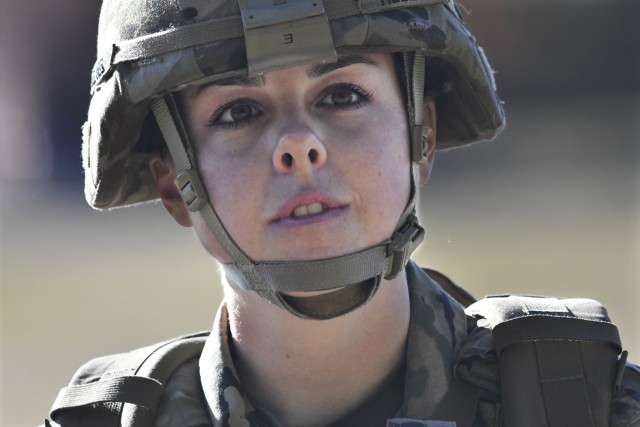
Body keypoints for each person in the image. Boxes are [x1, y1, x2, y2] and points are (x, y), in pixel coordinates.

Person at [45, 0, 640, 426]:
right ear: (174, 183)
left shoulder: (580, 403)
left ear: (421, 134)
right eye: (237, 112)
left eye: (342, 96)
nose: (300, 145)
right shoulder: (115, 420)